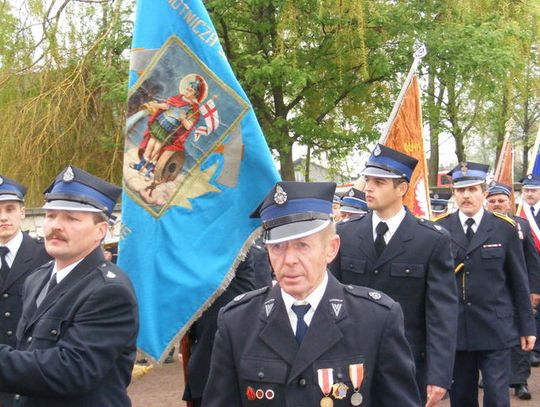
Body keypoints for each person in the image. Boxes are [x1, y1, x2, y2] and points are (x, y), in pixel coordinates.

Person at [203, 181, 421, 407]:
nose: (289, 260)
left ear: (331, 248)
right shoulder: (237, 322)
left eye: (302, 245)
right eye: (277, 247)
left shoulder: (375, 319)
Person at [0, 165, 138, 407]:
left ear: (101, 231)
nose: (56, 226)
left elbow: (71, 372)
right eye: (51, 216)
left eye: (71, 218)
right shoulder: (38, 278)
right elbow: (29, 353)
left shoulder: (108, 291)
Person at [330, 144, 458, 406]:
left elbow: (441, 313)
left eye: (379, 182)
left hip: (407, 363)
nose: (369, 187)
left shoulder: (431, 240)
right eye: (368, 180)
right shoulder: (346, 234)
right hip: (350, 362)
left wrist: (439, 374)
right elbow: (332, 299)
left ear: (401, 188)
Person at [435, 162, 536, 407]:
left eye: (472, 189)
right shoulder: (439, 228)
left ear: (484, 192)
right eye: (460, 190)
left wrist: (527, 326)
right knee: (461, 397)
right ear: (454, 194)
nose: (466, 195)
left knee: (497, 397)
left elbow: (518, 280)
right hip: (457, 330)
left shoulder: (505, 228)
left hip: (496, 329)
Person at [182, 242, 273, 406]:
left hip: (244, 367)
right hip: (206, 361)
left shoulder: (244, 251)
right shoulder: (198, 254)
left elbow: (264, 309)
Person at [485, 181, 540, 400]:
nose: (497, 204)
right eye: (493, 201)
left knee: (520, 335)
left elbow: (532, 261)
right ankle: (487, 376)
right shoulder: (480, 226)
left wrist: (534, 289)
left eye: (501, 200)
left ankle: (519, 381)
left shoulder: (521, 226)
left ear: (510, 202)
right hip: (490, 292)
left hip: (516, 291)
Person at [0, 176, 51, 407]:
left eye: (10, 209)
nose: (3, 217)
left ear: (22, 212)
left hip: (32, 369)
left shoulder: (47, 256)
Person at [130, 74, 207, 179]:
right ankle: (141, 165)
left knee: (157, 147)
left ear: (195, 94)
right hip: (160, 123)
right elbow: (166, 105)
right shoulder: (177, 98)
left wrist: (183, 119)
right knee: (150, 144)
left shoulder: (192, 109)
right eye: (188, 89)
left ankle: (149, 169)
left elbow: (188, 126)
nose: (187, 91)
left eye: (191, 91)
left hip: (169, 129)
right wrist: (156, 105)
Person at [519, 173, 540, 367]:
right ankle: (535, 349)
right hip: (530, 266)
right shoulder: (520, 213)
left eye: (533, 190)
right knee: (534, 310)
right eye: (527, 190)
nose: (530, 194)